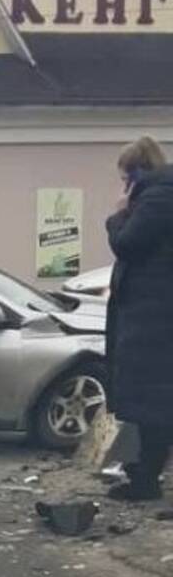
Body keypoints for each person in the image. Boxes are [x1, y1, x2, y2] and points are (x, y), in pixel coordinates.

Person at [105, 135, 173, 501]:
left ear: (134, 172)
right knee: (156, 401)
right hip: (154, 314)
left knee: (153, 403)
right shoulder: (161, 194)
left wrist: (118, 214)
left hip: (154, 320)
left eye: (123, 177)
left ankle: (147, 478)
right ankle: (145, 472)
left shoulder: (157, 198)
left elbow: (127, 243)